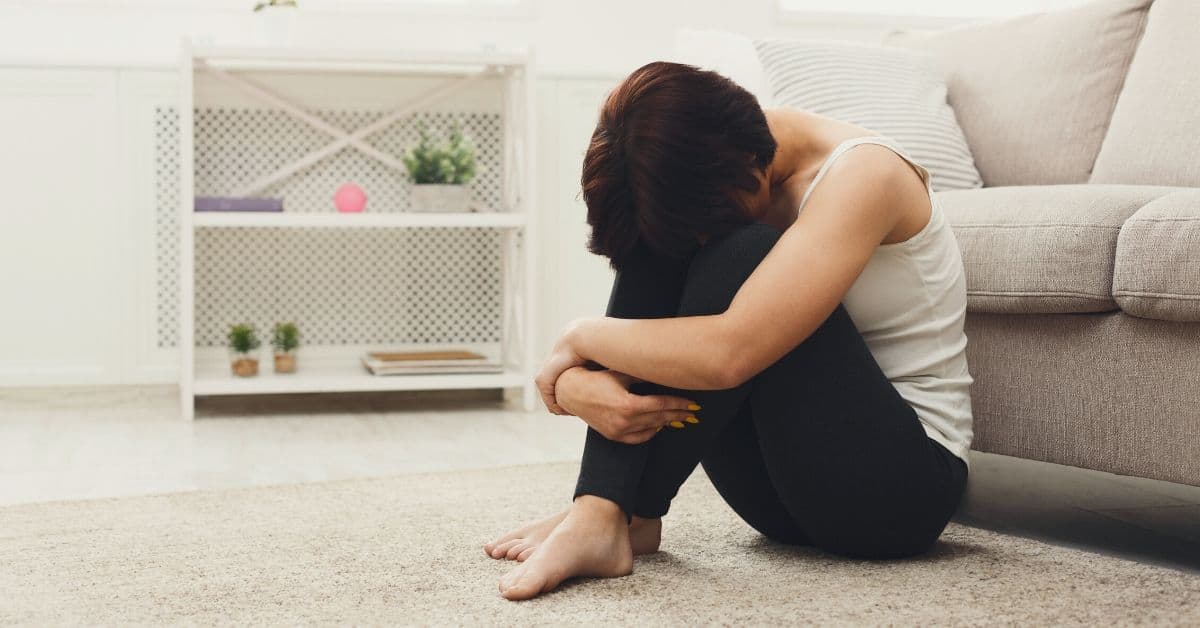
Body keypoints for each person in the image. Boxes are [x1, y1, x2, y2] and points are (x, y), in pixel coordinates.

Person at [483, 60, 974, 601]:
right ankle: (611, 512)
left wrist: (576, 340)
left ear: (749, 162)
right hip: (775, 498)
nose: (701, 234)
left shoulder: (868, 175)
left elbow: (729, 355)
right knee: (655, 243)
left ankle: (609, 511)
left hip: (895, 494)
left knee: (741, 250)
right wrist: (580, 386)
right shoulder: (707, 162)